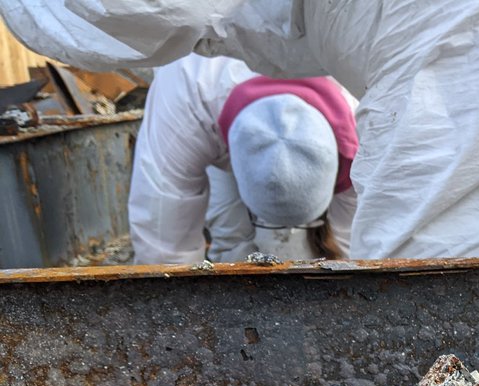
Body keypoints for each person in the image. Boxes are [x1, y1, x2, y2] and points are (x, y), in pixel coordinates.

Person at [0, 0, 479, 261]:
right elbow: (167, 237)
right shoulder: (186, 97)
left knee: (447, 378)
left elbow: (138, 13)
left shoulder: (363, 127)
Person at [129, 54, 357, 264]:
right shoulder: (185, 106)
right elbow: (164, 247)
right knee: (229, 229)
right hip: (210, 124)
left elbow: (354, 236)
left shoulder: (364, 119)